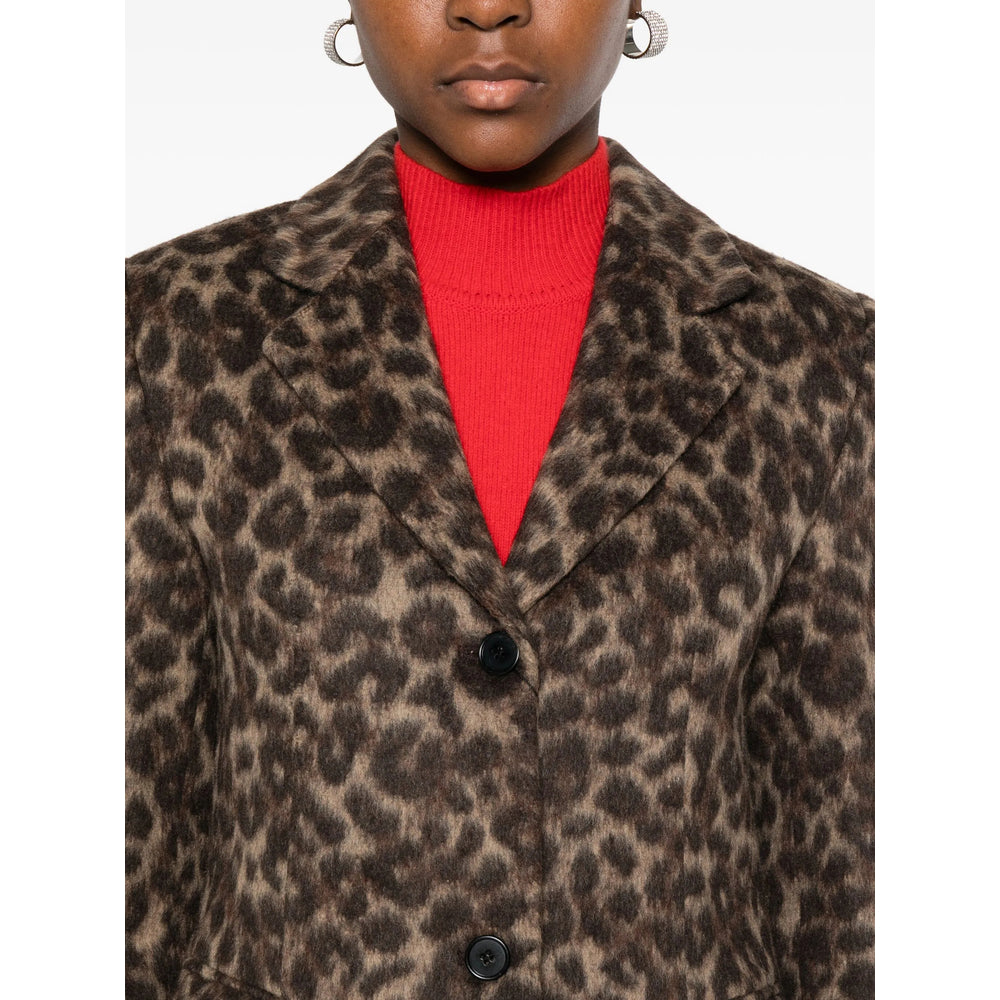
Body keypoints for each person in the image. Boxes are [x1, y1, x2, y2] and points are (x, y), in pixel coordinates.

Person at [125, 2, 874, 999]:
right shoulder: (169, 335)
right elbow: (133, 833)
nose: (487, 6)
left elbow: (839, 869)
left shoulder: (820, 360)